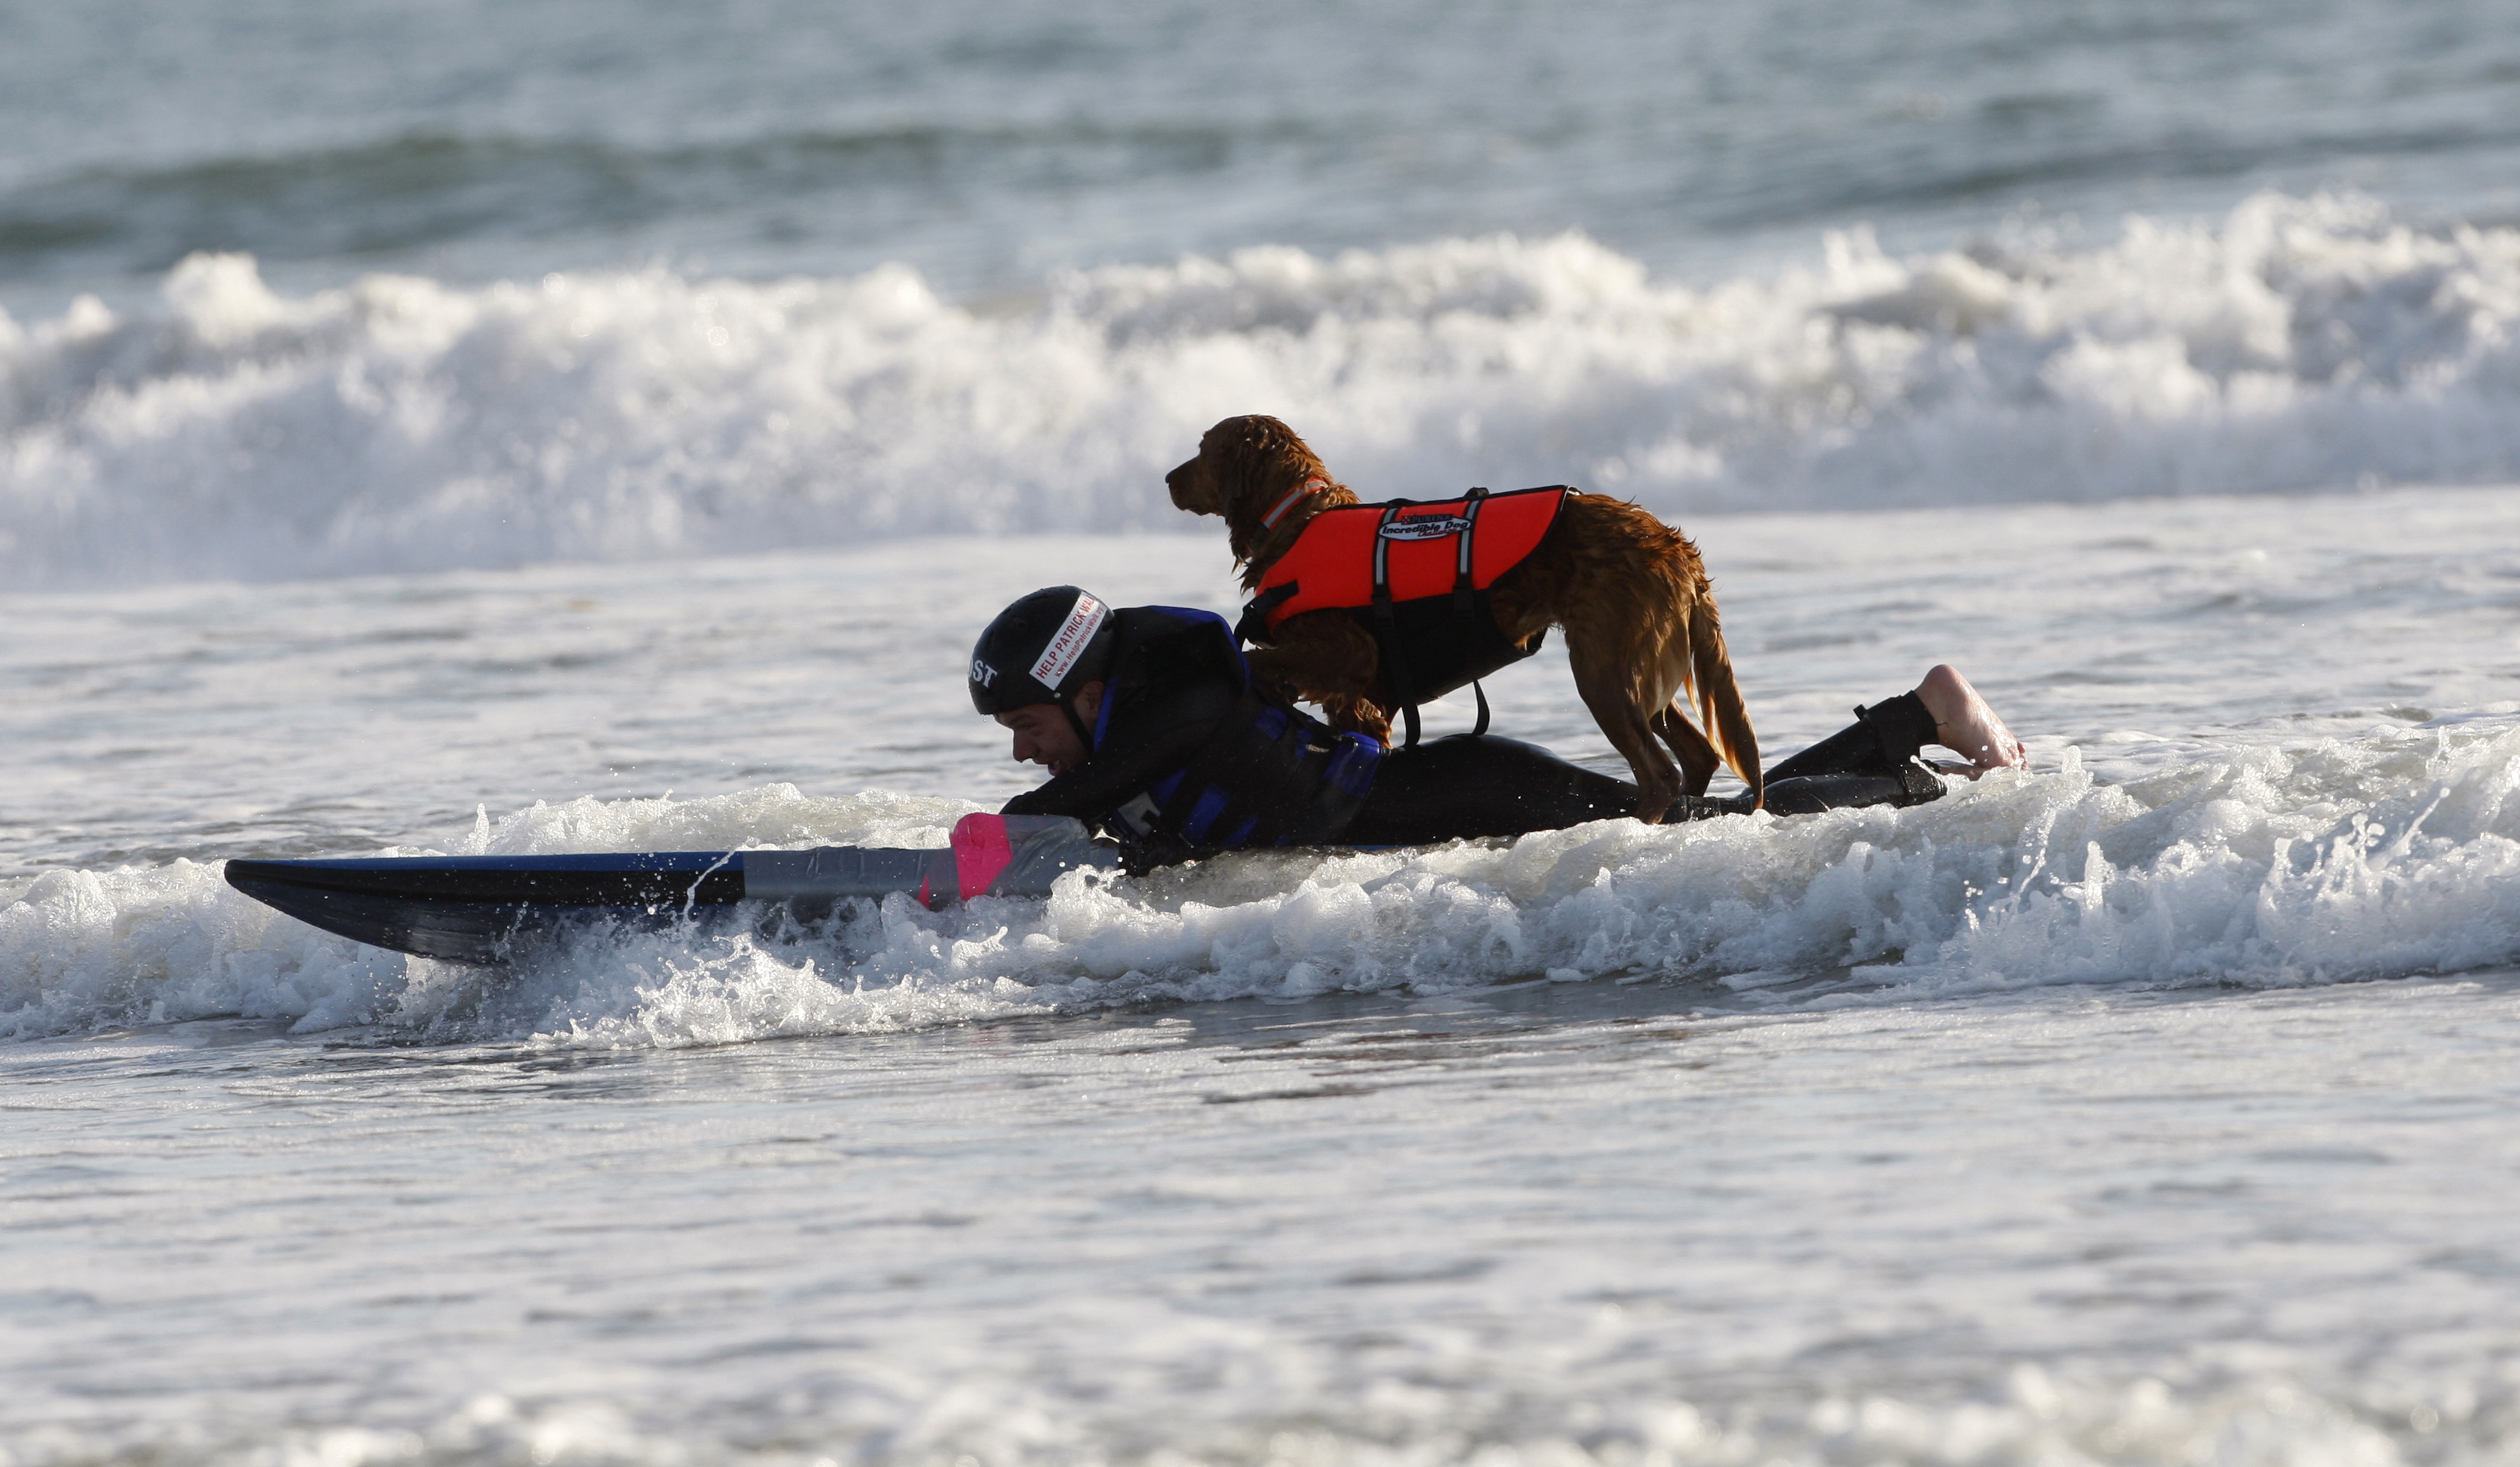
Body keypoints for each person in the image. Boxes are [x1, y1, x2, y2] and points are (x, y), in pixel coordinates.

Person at [969, 587, 2026, 861]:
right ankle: (1908, 725)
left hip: (1478, 790)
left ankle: (1918, 741)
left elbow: (1056, 803)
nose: (1024, 745)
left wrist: (938, 878)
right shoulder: (1139, 729)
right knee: (1703, 823)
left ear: (1087, 692)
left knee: (1710, 835)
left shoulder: (1179, 712)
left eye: (1025, 720)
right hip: (1460, 790)